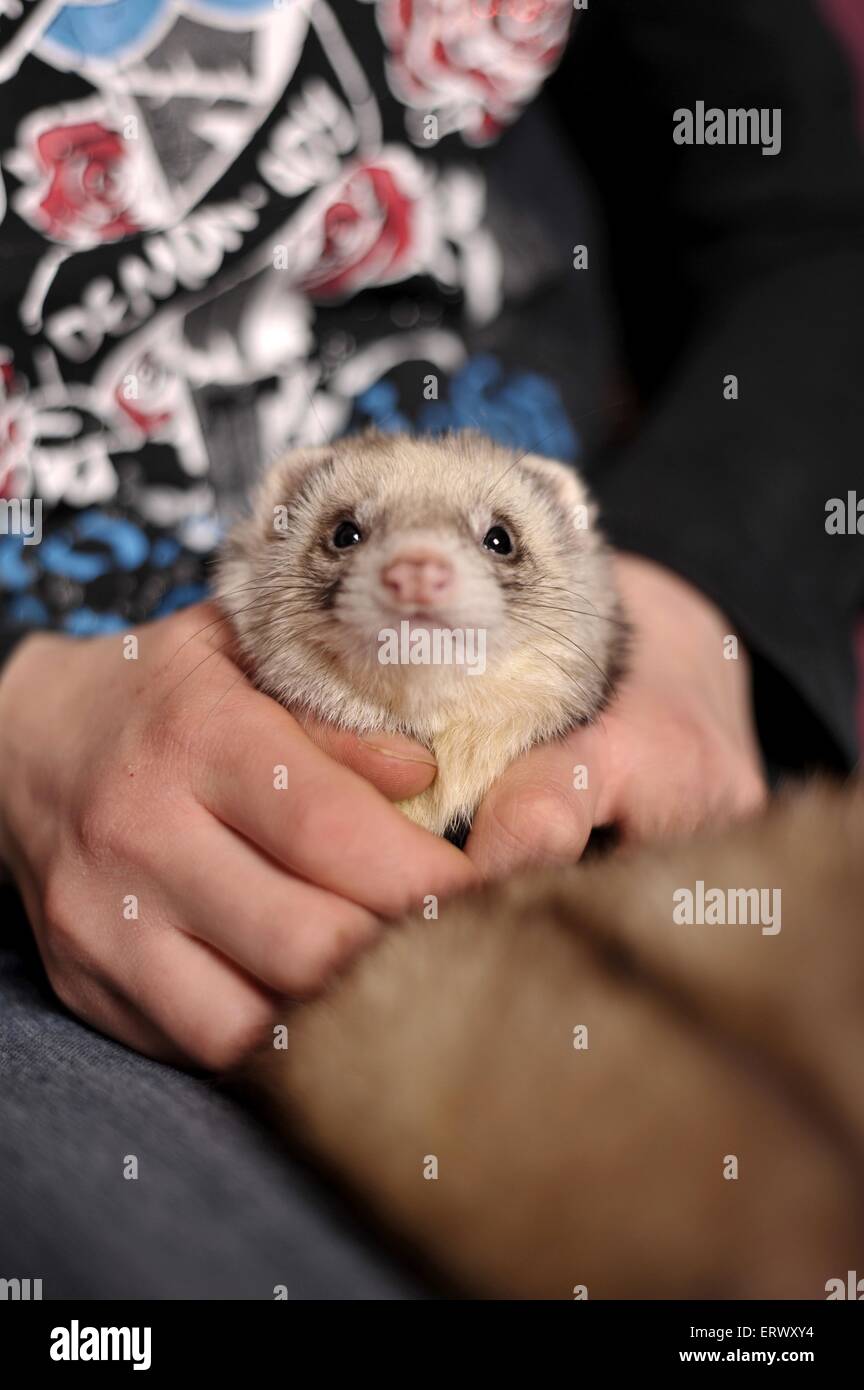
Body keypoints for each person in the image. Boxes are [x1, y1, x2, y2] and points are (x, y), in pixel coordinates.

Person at [0, 0, 861, 1296]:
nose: (414, 565)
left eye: (497, 546)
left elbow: (811, 240)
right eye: (348, 537)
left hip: (648, 757)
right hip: (75, 897)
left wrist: (696, 601)